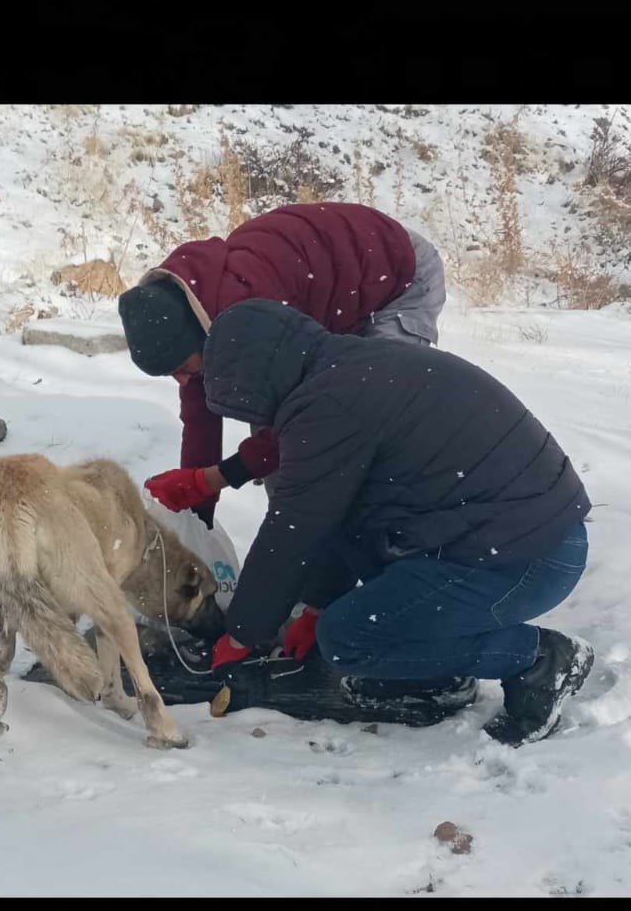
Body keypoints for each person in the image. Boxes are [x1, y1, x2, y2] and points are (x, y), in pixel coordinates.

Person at [198, 298, 593, 747]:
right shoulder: (353, 368)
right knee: (363, 583)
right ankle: (433, 676)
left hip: (526, 561)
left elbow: (293, 530)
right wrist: (316, 603)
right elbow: (334, 518)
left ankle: (539, 659)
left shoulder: (329, 405)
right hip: (525, 538)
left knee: (350, 638)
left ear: (254, 376)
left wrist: (242, 634)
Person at [118, 202, 446, 526]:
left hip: (397, 275)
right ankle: (309, 543)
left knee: (361, 416)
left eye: (182, 369)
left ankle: (390, 542)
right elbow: (201, 410)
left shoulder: (251, 310)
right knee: (287, 460)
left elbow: (308, 424)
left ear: (201, 339)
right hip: (332, 288)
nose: (181, 382)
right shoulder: (185, 308)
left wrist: (216, 478)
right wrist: (197, 511)